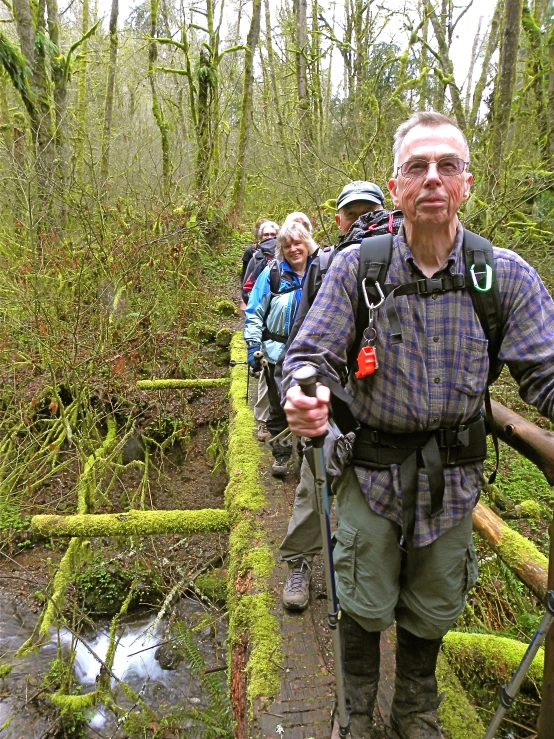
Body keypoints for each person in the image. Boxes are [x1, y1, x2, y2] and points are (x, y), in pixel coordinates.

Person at [282, 111, 554, 739]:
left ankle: (415, 713)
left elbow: (545, 371)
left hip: (454, 482)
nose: (433, 177)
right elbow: (309, 354)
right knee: (362, 600)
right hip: (370, 472)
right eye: (417, 167)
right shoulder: (359, 269)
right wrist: (307, 395)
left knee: (431, 611)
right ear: (397, 184)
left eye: (447, 165)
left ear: (466, 183)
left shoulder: (502, 274)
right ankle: (353, 714)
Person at [278, 182, 387, 612]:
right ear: (338, 219)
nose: (360, 221)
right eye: (352, 213)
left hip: (380, 412)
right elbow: (303, 335)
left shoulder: (404, 259)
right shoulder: (328, 265)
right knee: (314, 486)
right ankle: (300, 562)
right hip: (331, 404)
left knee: (368, 502)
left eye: (368, 212)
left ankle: (354, 578)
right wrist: (300, 389)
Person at [244, 220, 317, 477]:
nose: (293, 249)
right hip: (276, 353)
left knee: (311, 404)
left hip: (313, 353)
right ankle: (282, 454)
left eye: (298, 243)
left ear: (307, 243)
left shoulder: (322, 271)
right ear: (281, 249)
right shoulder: (272, 274)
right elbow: (254, 311)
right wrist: (253, 344)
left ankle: (311, 457)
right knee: (279, 406)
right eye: (287, 245)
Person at [241, 219, 280, 442]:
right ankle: (264, 423)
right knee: (268, 380)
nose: (270, 237)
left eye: (274, 233)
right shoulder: (257, 258)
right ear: (260, 236)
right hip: (268, 330)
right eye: (266, 234)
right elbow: (247, 289)